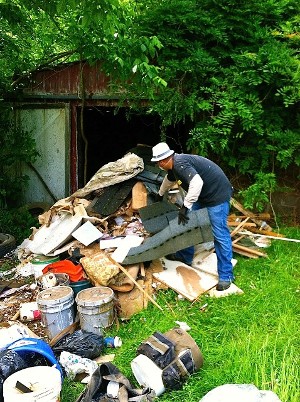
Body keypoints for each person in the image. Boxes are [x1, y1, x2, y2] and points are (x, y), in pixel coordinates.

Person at [151, 142, 234, 291]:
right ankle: (185, 256)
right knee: (188, 224)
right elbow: (168, 180)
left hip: (217, 196)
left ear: (164, 160)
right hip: (203, 196)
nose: (158, 166)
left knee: (220, 235)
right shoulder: (173, 167)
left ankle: (226, 276)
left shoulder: (181, 164)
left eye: (158, 163)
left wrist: (185, 206)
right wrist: (160, 194)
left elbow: (197, 182)